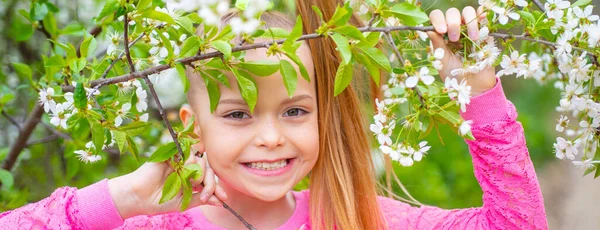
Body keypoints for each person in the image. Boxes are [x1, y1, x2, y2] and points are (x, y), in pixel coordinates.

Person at [0, 0, 548, 229]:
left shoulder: (354, 217)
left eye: (293, 110)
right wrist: (122, 200)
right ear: (194, 128)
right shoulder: (155, 223)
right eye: (237, 115)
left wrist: (478, 91)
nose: (270, 138)